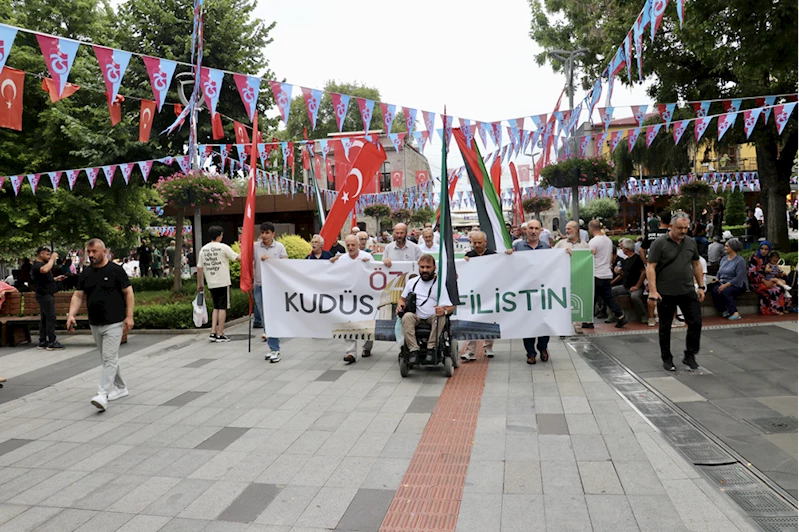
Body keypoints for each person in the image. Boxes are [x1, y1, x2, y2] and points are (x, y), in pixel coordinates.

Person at [66, 238, 134, 412]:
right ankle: (121, 387)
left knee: (109, 358)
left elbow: (128, 293)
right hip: (95, 323)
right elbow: (78, 295)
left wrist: (129, 317)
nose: (91, 255)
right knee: (108, 358)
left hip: (114, 322)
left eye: (94, 251)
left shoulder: (116, 270)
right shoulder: (86, 273)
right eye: (88, 252)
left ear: (104, 252)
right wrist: (71, 315)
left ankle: (102, 394)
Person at [645, 212, 705, 371]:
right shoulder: (659, 243)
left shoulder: (690, 242)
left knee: (696, 322)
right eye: (680, 228)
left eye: (686, 227)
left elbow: (696, 264)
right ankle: (667, 358)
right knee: (665, 327)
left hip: (687, 289)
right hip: (665, 291)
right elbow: (650, 266)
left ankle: (690, 355)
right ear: (671, 226)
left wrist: (701, 286)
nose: (683, 231)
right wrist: (653, 291)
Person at [397, 254, 456, 365]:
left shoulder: (441, 284)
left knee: (440, 317)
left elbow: (453, 306)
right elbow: (402, 299)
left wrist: (444, 311)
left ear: (434, 267)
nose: (425, 270)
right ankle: (413, 350)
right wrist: (400, 306)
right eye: (422, 267)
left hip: (433, 316)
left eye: (428, 267)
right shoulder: (412, 282)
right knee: (406, 317)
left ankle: (431, 348)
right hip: (416, 316)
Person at [509, 219, 552, 364]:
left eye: (536, 228)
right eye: (531, 228)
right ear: (525, 230)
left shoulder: (546, 247)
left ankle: (543, 347)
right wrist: (508, 255)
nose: (533, 231)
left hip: (542, 292)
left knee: (544, 321)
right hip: (524, 292)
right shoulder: (517, 246)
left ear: (541, 231)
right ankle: (530, 353)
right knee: (527, 323)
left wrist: (565, 254)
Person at [331, 235, 374, 363]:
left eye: (353, 245)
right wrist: (330, 263)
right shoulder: (342, 259)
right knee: (348, 322)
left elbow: (376, 273)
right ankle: (351, 353)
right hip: (348, 296)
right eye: (348, 245)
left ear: (358, 245)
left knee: (367, 323)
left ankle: (367, 347)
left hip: (365, 296)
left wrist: (369, 265)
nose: (350, 247)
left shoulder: (367, 257)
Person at [197, 226, 241, 342]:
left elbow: (199, 268)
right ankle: (220, 333)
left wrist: (200, 284)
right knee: (222, 308)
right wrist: (243, 249)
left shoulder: (203, 249)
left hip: (211, 282)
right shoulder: (223, 247)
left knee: (216, 307)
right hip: (223, 281)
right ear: (219, 236)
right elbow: (238, 258)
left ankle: (213, 332)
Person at [253, 222, 288, 362]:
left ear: (273, 234)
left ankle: (275, 349)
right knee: (264, 318)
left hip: (274, 287)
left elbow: (285, 264)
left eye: (267, 233)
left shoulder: (279, 247)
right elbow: (248, 262)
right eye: (262, 232)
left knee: (272, 317)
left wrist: (271, 261)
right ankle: (272, 347)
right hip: (259, 286)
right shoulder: (255, 247)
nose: (264, 235)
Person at [462, 231, 497, 361]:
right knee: (472, 320)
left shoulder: (493, 255)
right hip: (474, 294)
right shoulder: (469, 256)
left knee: (490, 320)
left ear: (485, 242)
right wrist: (464, 262)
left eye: (479, 243)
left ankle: (488, 347)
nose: (477, 245)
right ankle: (470, 350)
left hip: (489, 293)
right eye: (474, 243)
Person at [587, 220, 628, 328]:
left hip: (596, 273)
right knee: (608, 297)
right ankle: (620, 316)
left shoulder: (593, 242)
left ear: (591, 228)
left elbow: (590, 256)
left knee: (592, 298)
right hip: (606, 273)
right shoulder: (608, 240)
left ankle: (588, 321)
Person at [32, 246, 67, 350]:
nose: (49, 256)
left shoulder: (40, 265)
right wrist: (53, 258)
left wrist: (55, 279)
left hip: (45, 294)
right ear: (41, 254)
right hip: (45, 295)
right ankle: (52, 342)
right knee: (51, 317)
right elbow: (44, 270)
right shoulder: (38, 265)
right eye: (47, 254)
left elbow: (43, 279)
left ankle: (43, 341)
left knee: (44, 318)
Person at [709, 238, 747, 321]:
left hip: (737, 284)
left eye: (727, 246)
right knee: (715, 290)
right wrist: (716, 279)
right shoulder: (724, 259)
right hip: (723, 282)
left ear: (732, 247)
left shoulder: (740, 260)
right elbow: (719, 272)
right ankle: (723, 310)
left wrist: (726, 285)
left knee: (726, 291)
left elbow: (739, 277)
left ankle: (735, 312)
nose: (724, 248)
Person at [611, 239, 647, 323]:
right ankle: (616, 314)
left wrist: (637, 286)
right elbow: (624, 274)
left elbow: (643, 272)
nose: (622, 249)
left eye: (623, 248)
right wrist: (619, 272)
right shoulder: (626, 260)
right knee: (611, 292)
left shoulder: (637, 258)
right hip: (625, 285)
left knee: (634, 296)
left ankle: (643, 315)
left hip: (636, 286)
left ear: (627, 249)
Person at [747, 241, 787, 315]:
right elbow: (751, 273)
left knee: (780, 287)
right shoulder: (754, 258)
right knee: (772, 290)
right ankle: (770, 310)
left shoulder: (768, 259)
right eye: (762, 249)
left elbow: (772, 270)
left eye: (766, 249)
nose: (763, 251)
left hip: (768, 280)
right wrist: (764, 281)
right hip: (756, 282)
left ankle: (780, 308)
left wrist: (779, 274)